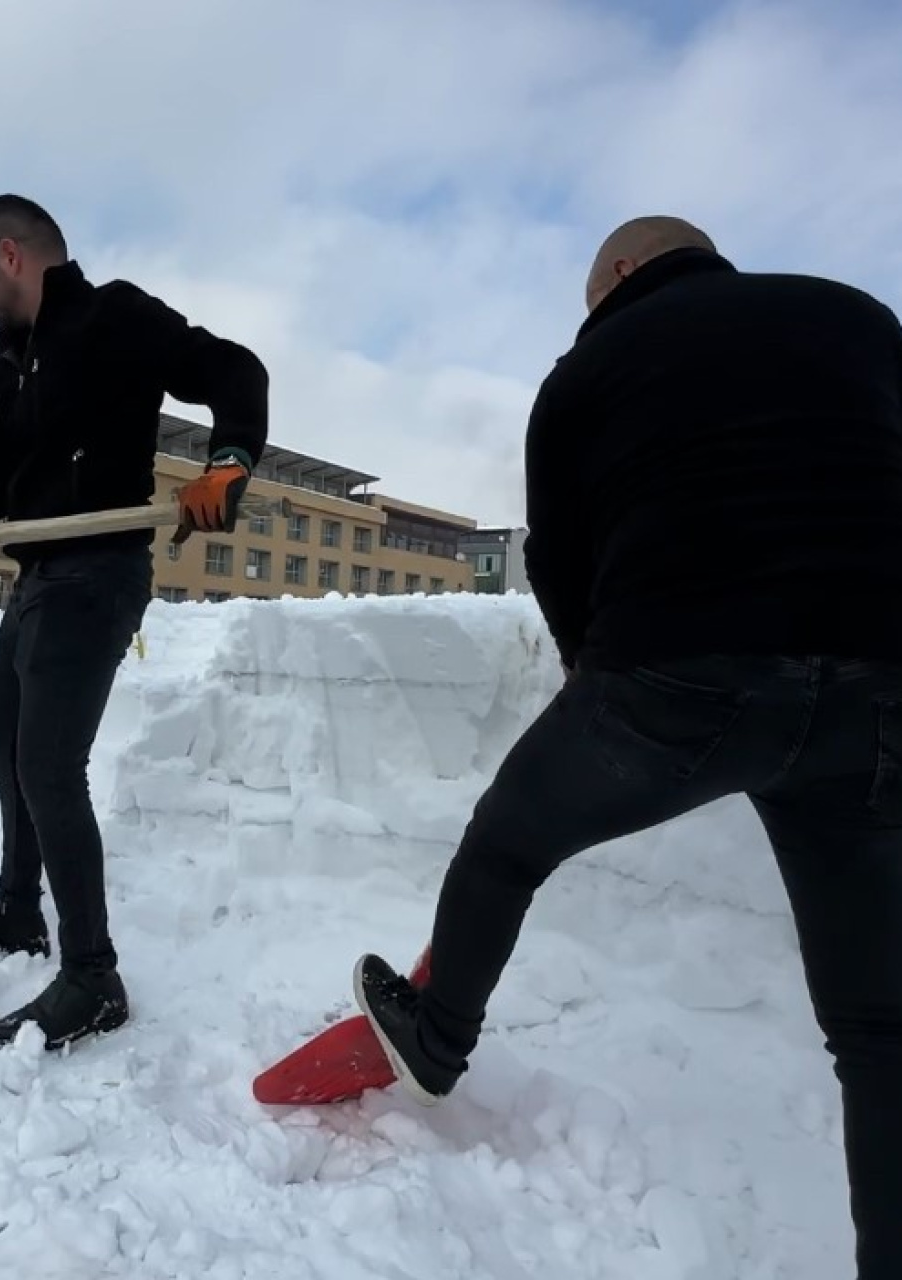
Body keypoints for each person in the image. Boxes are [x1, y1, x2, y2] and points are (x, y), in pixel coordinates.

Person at [353, 216, 902, 1278]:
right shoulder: (859, 317)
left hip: (678, 674)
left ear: (612, 278)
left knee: (505, 846)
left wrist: (587, 673)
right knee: (879, 1031)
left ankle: (435, 1036)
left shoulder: (584, 368)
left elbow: (558, 552)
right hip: (880, 685)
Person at [0, 194, 268, 1052]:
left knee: (48, 761)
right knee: (6, 740)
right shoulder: (23, 369)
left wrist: (228, 462)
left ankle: (92, 973)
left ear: (9, 255)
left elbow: (235, 372)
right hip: (40, 577)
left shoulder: (114, 317)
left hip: (100, 572)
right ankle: (17, 908)